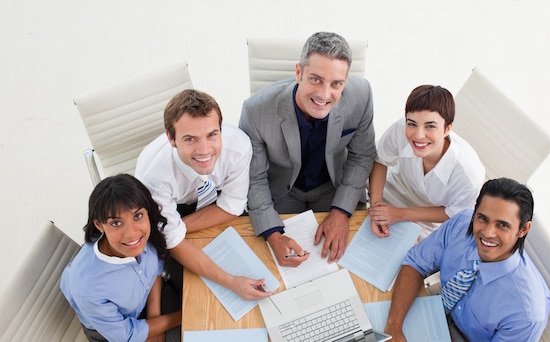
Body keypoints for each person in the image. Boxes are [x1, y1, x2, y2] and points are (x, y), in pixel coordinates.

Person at [239, 31, 376, 267]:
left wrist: (341, 211)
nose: (324, 94)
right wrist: (273, 235)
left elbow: (361, 156)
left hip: (334, 188)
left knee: (349, 263)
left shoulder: (361, 95)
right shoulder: (255, 111)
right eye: (315, 79)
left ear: (346, 80)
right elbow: (255, 178)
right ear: (298, 72)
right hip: (282, 192)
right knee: (267, 263)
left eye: (336, 84)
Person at [136, 89, 270, 301]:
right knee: (198, 296)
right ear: (171, 138)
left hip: (208, 199)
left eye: (212, 135)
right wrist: (231, 282)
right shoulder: (154, 178)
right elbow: (172, 242)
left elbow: (233, 205)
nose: (204, 150)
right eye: (190, 139)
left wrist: (178, 229)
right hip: (175, 205)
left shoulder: (238, 146)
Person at [385, 178, 550, 342]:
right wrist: (394, 327)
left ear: (523, 229)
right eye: (482, 218)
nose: (487, 233)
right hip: (436, 310)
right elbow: (416, 262)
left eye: (502, 225)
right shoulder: (462, 223)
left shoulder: (527, 313)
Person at [60, 174, 181, 342]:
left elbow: (154, 271)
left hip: (148, 299)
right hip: (116, 332)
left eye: (137, 216)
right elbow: (128, 334)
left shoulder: (148, 232)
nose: (132, 233)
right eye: (116, 223)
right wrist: (182, 316)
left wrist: (154, 321)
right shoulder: (88, 289)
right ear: (99, 225)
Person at [368, 84, 484, 241]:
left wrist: (400, 214)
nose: (419, 135)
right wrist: (377, 209)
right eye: (412, 124)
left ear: (447, 129)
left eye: (430, 126)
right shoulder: (400, 128)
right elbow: (381, 159)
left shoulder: (469, 174)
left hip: (428, 218)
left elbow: (451, 213)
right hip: (392, 189)